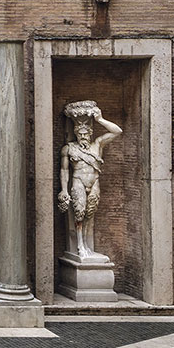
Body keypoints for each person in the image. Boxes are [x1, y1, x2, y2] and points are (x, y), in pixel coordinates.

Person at [56, 100, 121, 258]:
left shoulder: (97, 145)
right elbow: (64, 170)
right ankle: (79, 245)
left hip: (94, 182)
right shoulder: (69, 148)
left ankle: (86, 245)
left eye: (85, 134)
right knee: (79, 212)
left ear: (90, 133)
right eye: (80, 134)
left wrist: (100, 120)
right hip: (78, 181)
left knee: (90, 213)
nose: (83, 137)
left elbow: (117, 131)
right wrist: (64, 190)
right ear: (76, 134)